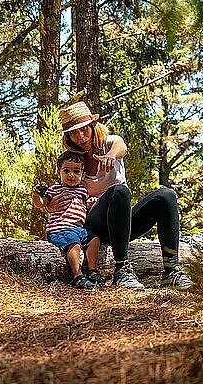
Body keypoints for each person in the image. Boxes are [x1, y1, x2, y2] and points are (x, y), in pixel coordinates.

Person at [44, 101, 193, 291]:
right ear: (68, 137)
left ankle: (171, 272)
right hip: (92, 227)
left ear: (92, 126)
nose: (80, 136)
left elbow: (121, 147)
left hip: (120, 223)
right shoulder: (74, 161)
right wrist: (50, 204)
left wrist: (112, 156)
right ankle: (122, 270)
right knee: (119, 190)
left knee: (166, 195)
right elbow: (60, 189)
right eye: (73, 132)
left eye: (83, 129)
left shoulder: (110, 143)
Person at [32, 151, 104, 289]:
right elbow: (41, 203)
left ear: (82, 175)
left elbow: (85, 205)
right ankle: (78, 276)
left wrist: (93, 202)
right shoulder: (55, 189)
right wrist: (36, 195)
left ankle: (92, 271)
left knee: (94, 240)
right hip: (60, 228)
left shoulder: (83, 190)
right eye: (66, 170)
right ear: (59, 173)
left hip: (79, 228)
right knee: (74, 244)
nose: (71, 175)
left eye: (76, 171)